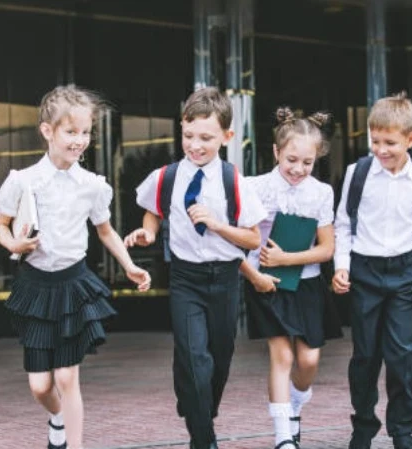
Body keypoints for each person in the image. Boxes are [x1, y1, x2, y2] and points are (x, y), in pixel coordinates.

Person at [0, 85, 151, 449]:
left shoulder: (92, 186)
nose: (80, 140)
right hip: (34, 286)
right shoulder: (23, 180)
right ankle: (57, 417)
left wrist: (129, 265)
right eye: (71, 132)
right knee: (40, 386)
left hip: (72, 285)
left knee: (67, 377)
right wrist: (13, 243)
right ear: (47, 131)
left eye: (86, 132)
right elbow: (0, 225)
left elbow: (106, 231)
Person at [124, 87, 267, 449]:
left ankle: (197, 404)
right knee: (194, 358)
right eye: (188, 136)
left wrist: (218, 225)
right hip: (186, 279)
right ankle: (203, 440)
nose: (195, 145)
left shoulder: (234, 181)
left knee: (218, 359)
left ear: (226, 137)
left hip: (224, 280)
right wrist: (148, 232)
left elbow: (252, 240)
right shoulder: (167, 176)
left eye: (206, 137)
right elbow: (153, 211)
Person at [331, 92, 412, 449]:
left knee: (400, 357)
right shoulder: (358, 173)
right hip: (364, 273)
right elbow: (342, 225)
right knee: (365, 356)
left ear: (410, 139)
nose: (381, 149)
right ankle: (363, 426)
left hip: (403, 275)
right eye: (375, 141)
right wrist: (342, 266)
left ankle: (402, 432)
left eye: (390, 143)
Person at [240, 107, 342, 449]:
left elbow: (327, 248)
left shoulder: (321, 193)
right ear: (276, 152)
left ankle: (296, 403)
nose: (298, 169)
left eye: (307, 162)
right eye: (291, 160)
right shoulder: (254, 187)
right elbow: (240, 240)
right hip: (266, 282)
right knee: (282, 356)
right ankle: (284, 435)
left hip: (308, 282)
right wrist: (254, 274)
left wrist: (288, 257)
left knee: (309, 360)